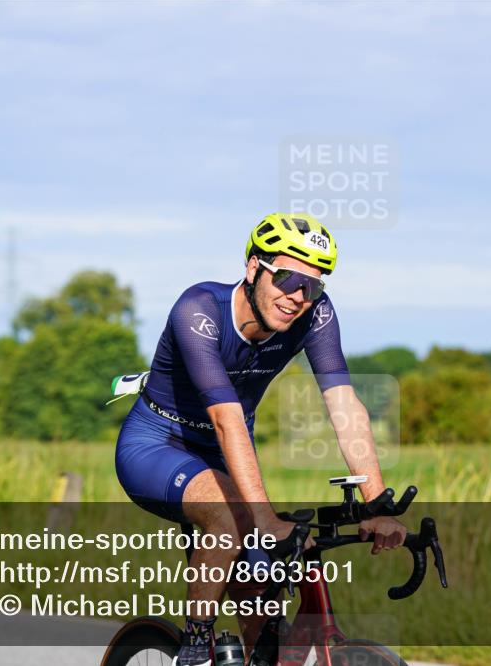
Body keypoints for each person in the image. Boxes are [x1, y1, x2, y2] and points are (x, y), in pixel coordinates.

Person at [115, 213, 406, 666]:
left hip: (226, 453)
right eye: (287, 278)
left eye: (313, 287)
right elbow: (227, 419)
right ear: (254, 267)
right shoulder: (199, 310)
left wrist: (375, 504)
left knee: (262, 585)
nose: (297, 297)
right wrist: (264, 519)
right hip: (159, 444)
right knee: (235, 518)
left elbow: (344, 404)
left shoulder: (316, 316)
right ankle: (194, 647)